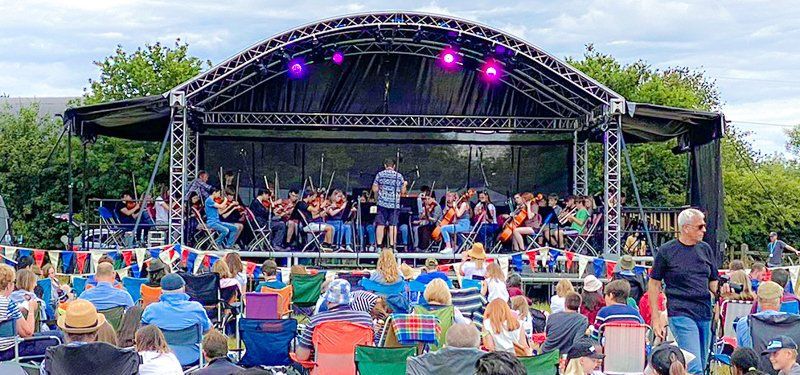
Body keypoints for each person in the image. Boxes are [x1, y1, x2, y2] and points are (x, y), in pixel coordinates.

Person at [650, 208, 718, 374]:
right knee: (694, 365)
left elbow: (713, 281)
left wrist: (724, 292)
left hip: (704, 310)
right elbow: (654, 284)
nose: (704, 230)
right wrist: (656, 317)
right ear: (686, 228)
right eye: (700, 226)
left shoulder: (705, 249)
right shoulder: (667, 251)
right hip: (680, 309)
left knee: (703, 362)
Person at [142, 273, 212, 366]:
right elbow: (208, 330)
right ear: (183, 288)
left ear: (161, 290)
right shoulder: (196, 308)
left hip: (160, 356)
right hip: (193, 355)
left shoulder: (151, 310)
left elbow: (142, 333)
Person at [294, 279, 373, 361]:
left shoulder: (317, 320)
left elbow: (302, 356)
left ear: (328, 301)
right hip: (356, 370)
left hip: (323, 370)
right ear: (349, 300)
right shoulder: (366, 319)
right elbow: (369, 351)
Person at [407, 323, 487, 375]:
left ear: (445, 344)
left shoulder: (423, 362)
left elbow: (409, 364)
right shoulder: (492, 362)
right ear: (478, 345)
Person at [0, 264, 39, 361]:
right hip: (9, 351)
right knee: (57, 338)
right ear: (9, 285)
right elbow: (28, 333)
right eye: (13, 282)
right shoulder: (8, 304)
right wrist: (31, 310)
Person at [735, 281, 788, 348]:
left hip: (753, 357)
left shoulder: (744, 322)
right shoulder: (792, 321)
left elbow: (741, 352)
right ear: (780, 300)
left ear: (758, 300)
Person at [372, 158, 406, 248]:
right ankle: (392, 246)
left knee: (380, 224)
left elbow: (374, 189)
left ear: (385, 165)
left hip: (382, 203)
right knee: (393, 225)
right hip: (394, 204)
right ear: (394, 166)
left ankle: (379, 246)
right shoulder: (399, 176)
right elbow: (403, 191)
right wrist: (405, 185)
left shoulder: (380, 175)